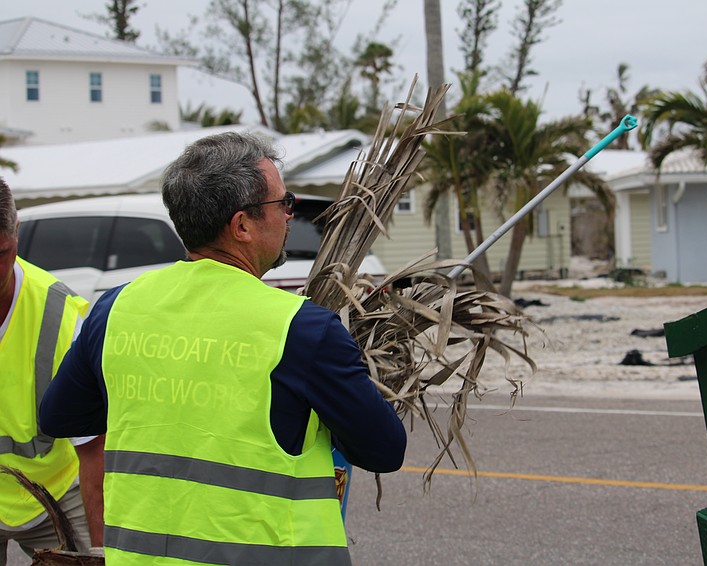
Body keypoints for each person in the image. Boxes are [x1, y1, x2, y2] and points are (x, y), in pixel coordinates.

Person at [39, 132, 406, 565]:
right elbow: (384, 450)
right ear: (242, 225)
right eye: (282, 204)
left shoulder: (115, 309)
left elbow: (58, 416)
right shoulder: (304, 330)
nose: (290, 216)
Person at [0, 178, 99, 564]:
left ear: (16, 234)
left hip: (56, 491)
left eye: (1, 252)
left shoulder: (61, 318)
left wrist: (99, 550)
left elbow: (93, 450)